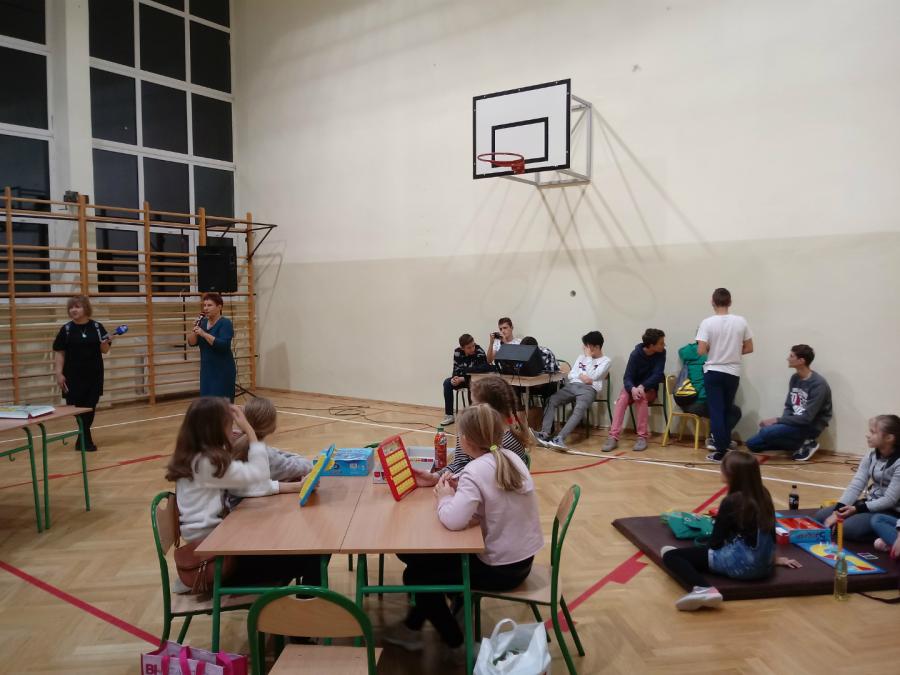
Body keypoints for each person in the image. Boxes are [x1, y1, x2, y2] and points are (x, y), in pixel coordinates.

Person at [386, 404, 543, 658]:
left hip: (499, 569)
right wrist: (446, 483)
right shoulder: (510, 458)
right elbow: (487, 489)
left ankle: (458, 645)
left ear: (466, 440)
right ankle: (421, 624)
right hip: (522, 561)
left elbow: (453, 520)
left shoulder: (475, 470)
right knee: (422, 565)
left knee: (416, 576)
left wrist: (444, 497)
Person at [164, 397, 323, 594]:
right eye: (229, 425)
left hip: (216, 547)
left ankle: (305, 603)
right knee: (315, 549)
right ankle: (307, 605)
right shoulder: (208, 464)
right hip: (220, 559)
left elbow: (244, 487)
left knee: (299, 544)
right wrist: (250, 431)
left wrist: (294, 487)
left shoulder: (195, 458)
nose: (233, 430)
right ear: (214, 429)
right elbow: (259, 474)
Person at [661, 451, 801, 611]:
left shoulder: (731, 501)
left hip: (742, 566)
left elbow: (715, 543)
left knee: (671, 556)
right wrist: (774, 559)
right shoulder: (764, 494)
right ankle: (690, 561)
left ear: (732, 475)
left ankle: (703, 589)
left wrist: (704, 544)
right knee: (691, 554)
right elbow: (769, 532)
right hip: (765, 567)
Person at [417, 375, 531, 486]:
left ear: (487, 411)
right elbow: (460, 463)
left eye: (474, 404)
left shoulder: (505, 444)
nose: (470, 410)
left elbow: (484, 481)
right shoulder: (474, 432)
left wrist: (452, 485)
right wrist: (435, 477)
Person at [814, 415, 900, 541]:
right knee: (821, 517)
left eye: (873, 432)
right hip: (870, 503)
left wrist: (856, 509)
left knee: (846, 528)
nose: (867, 435)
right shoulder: (871, 455)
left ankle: (889, 533)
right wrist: (837, 511)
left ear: (889, 438)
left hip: (891, 510)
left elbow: (889, 500)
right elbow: (856, 485)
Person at [745, 345, 832, 462]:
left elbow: (807, 418)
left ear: (801, 361)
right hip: (793, 423)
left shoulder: (818, 384)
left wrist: (777, 421)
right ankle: (799, 444)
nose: (788, 359)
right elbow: (789, 406)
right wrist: (782, 425)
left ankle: (808, 441)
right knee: (752, 444)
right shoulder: (795, 378)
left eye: (791, 356)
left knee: (765, 432)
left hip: (809, 426)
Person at [226, 396, 315, 510]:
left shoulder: (231, 441)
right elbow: (307, 466)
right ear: (272, 427)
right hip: (245, 511)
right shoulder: (269, 457)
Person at [697, 288, 753, 462]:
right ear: (730, 302)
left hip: (714, 371)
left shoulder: (707, 323)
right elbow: (749, 347)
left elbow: (701, 350)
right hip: (733, 372)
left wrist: (715, 350)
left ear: (712, 302)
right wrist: (732, 352)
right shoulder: (741, 321)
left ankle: (720, 450)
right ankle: (725, 441)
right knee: (727, 410)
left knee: (716, 412)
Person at [52, 295, 115, 452]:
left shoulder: (97, 327)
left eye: (77, 306)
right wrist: (59, 373)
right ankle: (85, 440)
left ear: (86, 308)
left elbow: (105, 350)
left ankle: (83, 440)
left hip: (94, 375)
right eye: (71, 307)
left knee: (90, 407)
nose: (73, 310)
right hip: (73, 376)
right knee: (77, 408)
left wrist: (105, 342)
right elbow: (59, 352)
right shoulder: (66, 329)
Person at [535, 331, 611, 451]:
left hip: (589, 389)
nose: (584, 348)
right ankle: (544, 433)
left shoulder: (606, 361)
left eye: (587, 346)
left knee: (579, 409)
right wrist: (582, 376)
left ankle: (559, 438)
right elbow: (571, 375)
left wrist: (589, 359)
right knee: (552, 400)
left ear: (596, 347)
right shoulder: (581, 357)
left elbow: (594, 376)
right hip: (572, 386)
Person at [602, 329, 666, 453]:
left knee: (641, 397)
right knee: (622, 399)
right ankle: (613, 437)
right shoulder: (636, 355)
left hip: (649, 389)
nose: (664, 345)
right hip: (633, 389)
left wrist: (642, 386)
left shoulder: (661, 353)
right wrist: (632, 388)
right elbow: (627, 377)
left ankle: (642, 437)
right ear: (651, 345)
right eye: (661, 343)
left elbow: (657, 375)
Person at [675, 340, 742, 451]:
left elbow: (681, 351)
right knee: (732, 411)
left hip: (686, 401)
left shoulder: (688, 351)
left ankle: (718, 437)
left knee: (723, 408)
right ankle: (716, 438)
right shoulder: (711, 357)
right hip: (699, 402)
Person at [188, 292, 236, 401]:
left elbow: (223, 345)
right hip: (207, 370)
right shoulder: (202, 323)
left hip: (223, 370)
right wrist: (195, 328)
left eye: (209, 305)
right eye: (204, 305)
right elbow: (191, 343)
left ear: (219, 307)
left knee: (222, 404)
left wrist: (204, 334)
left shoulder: (225, 323)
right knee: (207, 403)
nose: (206, 308)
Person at [440, 333, 488, 426]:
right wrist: (454, 378)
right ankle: (449, 415)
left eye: (473, 345)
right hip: (462, 379)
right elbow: (456, 368)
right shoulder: (457, 352)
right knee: (447, 382)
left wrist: (462, 379)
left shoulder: (479, 352)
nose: (472, 349)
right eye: (469, 347)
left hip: (476, 380)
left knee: (472, 384)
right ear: (462, 348)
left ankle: (473, 417)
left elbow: (480, 373)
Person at [519, 336, 560, 404]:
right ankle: (518, 409)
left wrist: (539, 381)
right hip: (531, 382)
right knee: (513, 387)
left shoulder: (546, 353)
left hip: (550, 381)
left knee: (549, 387)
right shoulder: (522, 353)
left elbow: (551, 374)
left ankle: (546, 410)